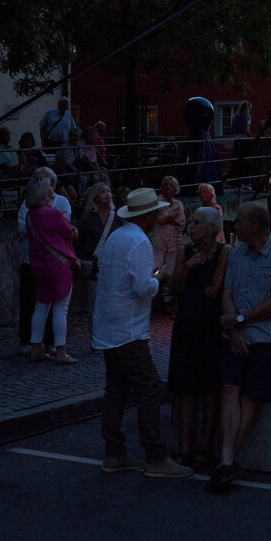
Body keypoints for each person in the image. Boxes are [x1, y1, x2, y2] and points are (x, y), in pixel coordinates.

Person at [91, 187, 192, 477]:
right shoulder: (139, 242)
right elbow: (143, 287)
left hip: (109, 325)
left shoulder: (116, 238)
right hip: (128, 329)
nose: (159, 217)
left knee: (117, 389)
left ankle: (114, 452)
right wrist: (160, 278)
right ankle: (155, 455)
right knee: (148, 387)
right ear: (148, 216)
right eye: (156, 213)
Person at [207, 201, 271, 491]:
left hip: (267, 335)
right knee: (229, 388)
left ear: (257, 226)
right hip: (236, 331)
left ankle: (227, 458)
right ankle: (226, 460)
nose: (236, 225)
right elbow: (228, 291)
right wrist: (234, 329)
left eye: (242, 221)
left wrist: (240, 320)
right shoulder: (237, 254)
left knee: (250, 396)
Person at [167, 206, 230, 468]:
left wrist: (188, 289)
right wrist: (189, 267)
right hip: (186, 326)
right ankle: (184, 447)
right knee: (185, 389)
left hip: (210, 328)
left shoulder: (225, 252)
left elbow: (215, 290)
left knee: (208, 389)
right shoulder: (186, 252)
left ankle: (204, 446)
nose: (191, 227)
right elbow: (175, 286)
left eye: (197, 222)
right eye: (191, 221)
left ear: (213, 229)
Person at [24, 176, 77, 364]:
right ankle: (61, 351)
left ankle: (35, 347)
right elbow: (69, 231)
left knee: (41, 306)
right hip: (58, 264)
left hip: (39, 264)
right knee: (61, 308)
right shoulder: (52, 213)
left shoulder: (30, 215)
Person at [76, 181, 121, 325]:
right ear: (95, 196)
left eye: (108, 191)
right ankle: (95, 340)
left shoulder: (117, 218)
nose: (108, 194)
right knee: (95, 306)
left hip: (114, 266)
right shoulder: (87, 220)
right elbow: (79, 244)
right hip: (95, 268)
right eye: (103, 191)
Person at [149, 175, 186, 314]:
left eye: (169, 185)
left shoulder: (179, 204)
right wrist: (171, 217)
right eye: (164, 184)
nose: (166, 187)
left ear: (175, 189)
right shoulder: (157, 201)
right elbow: (162, 218)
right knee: (154, 269)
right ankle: (153, 301)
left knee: (171, 272)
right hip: (158, 241)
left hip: (174, 242)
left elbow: (181, 222)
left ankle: (168, 301)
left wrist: (170, 218)